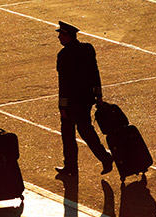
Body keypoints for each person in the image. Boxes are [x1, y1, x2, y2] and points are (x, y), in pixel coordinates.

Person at [55, 21, 113, 176]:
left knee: (68, 136)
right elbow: (95, 74)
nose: (59, 37)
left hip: (71, 103)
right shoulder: (87, 49)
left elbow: (64, 84)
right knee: (86, 131)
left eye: (61, 34)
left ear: (67, 36)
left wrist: (62, 106)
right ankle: (104, 157)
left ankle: (71, 167)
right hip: (86, 100)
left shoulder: (63, 56)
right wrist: (99, 96)